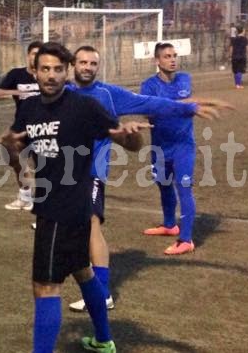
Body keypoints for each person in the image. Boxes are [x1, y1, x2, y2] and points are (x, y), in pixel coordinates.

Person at [0, 42, 150, 353]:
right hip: (62, 206)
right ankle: (104, 341)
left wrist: (132, 136)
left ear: (66, 72)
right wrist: (15, 159)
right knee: (83, 271)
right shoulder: (29, 108)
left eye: (57, 69)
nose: (51, 76)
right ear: (34, 72)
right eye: (44, 69)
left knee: (44, 288)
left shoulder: (83, 106)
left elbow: (131, 145)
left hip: (62, 210)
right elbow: (14, 147)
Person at [66, 45, 228, 311]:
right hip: (64, 178)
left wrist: (190, 108)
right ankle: (95, 291)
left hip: (91, 174)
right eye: (82, 62)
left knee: (91, 228)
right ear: (73, 64)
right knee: (74, 238)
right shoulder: (64, 93)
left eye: (92, 63)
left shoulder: (109, 94)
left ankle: (102, 293)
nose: (87, 67)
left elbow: (152, 104)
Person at [140, 42, 207, 255]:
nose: (173, 59)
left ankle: (186, 240)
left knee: (184, 188)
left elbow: (187, 108)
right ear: (157, 61)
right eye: (167, 56)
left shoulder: (184, 79)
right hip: (160, 147)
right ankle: (170, 225)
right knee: (164, 186)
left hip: (183, 147)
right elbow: (150, 113)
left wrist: (170, 107)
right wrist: (178, 106)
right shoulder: (148, 86)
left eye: (174, 55)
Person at [0, 41, 41, 210]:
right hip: (20, 124)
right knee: (10, 152)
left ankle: (41, 201)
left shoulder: (45, 76)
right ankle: (25, 195)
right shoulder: (16, 74)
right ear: (28, 55)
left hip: (42, 126)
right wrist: (19, 92)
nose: (36, 57)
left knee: (43, 164)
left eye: (39, 54)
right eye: (33, 53)